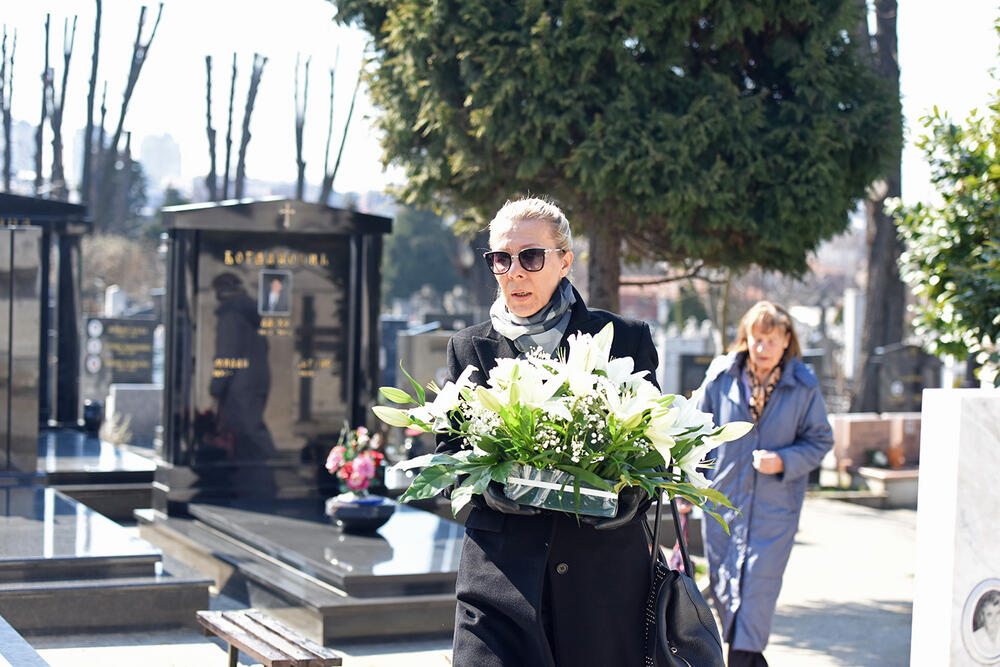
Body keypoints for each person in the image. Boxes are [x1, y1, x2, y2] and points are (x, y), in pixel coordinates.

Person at [436, 197, 658, 666]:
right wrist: (489, 491)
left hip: (602, 588)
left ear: (564, 261)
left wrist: (629, 498)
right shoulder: (467, 348)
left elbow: (653, 452)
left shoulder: (625, 339)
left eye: (531, 257)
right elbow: (449, 460)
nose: (514, 272)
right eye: (500, 258)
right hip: (498, 588)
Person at [696, 301, 833, 667]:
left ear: (787, 340)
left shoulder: (803, 385)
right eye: (757, 339)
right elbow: (695, 431)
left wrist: (784, 460)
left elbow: (820, 439)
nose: (763, 348)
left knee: (758, 588)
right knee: (725, 587)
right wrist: (689, 484)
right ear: (746, 338)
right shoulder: (721, 376)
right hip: (722, 502)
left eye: (772, 340)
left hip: (775, 509)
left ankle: (744, 659)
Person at [973, 590, 1000, 657]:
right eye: (989, 614)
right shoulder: (975, 638)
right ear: (982, 617)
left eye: (997, 613)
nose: (994, 619)